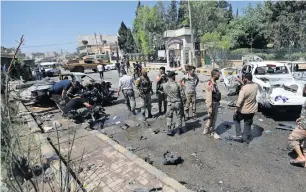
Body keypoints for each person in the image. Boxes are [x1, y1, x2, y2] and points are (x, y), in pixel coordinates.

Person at [233, 73, 259, 144]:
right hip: (252, 109)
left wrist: (236, 108)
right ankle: (245, 138)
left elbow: (240, 100)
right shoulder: (256, 86)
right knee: (247, 123)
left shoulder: (244, 88)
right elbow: (248, 86)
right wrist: (240, 81)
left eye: (244, 79)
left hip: (244, 110)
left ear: (246, 79)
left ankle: (238, 135)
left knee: (236, 118)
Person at [163, 71, 186, 136]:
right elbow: (182, 95)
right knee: (179, 116)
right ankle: (179, 130)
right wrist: (184, 102)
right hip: (178, 103)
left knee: (169, 116)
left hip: (170, 103)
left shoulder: (164, 85)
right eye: (174, 75)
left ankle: (169, 130)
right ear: (173, 76)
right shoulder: (178, 84)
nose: (175, 76)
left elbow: (165, 94)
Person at [203, 69, 221, 139]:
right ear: (214, 75)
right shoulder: (209, 84)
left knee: (211, 118)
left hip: (215, 103)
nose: (219, 76)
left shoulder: (214, 83)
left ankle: (206, 130)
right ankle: (212, 131)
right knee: (212, 118)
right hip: (212, 104)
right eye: (218, 75)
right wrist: (209, 108)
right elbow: (208, 97)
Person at [287, 100, 306, 167]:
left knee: (292, 138)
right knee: (304, 143)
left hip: (304, 127)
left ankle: (301, 157)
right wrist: (302, 118)